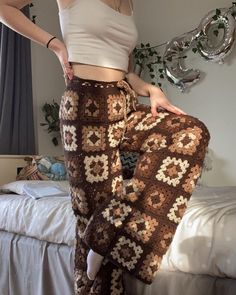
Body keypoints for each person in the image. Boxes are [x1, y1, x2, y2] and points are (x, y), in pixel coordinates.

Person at [0, 0, 210, 294]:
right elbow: (5, 6)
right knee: (94, 213)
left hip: (123, 101)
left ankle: (105, 236)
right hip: (85, 106)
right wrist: (56, 45)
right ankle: (99, 246)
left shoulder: (129, 3)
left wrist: (149, 88)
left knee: (190, 131)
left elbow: (125, 68)